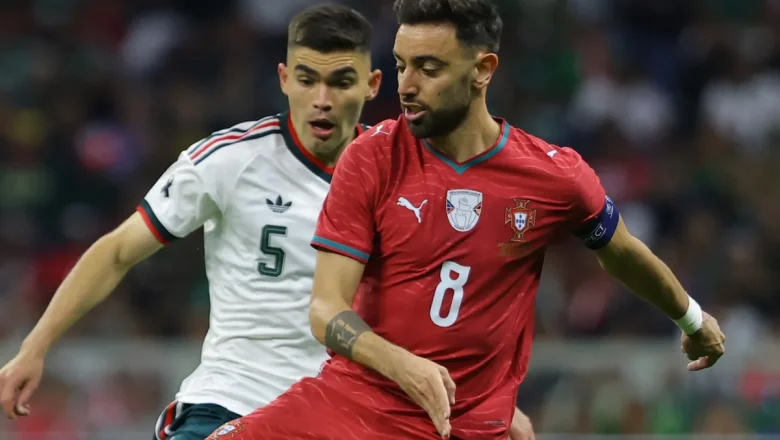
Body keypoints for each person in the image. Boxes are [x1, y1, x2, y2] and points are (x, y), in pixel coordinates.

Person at [213, 0, 726, 439]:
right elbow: (326, 310)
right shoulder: (371, 157)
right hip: (354, 407)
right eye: (400, 65)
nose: (407, 86)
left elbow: (622, 252)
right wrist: (405, 367)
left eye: (429, 69)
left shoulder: (553, 176)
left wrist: (692, 319)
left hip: (460, 428)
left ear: (482, 70)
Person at [0, 4, 383, 440]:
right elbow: (117, 251)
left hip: (339, 413)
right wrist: (34, 348)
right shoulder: (231, 159)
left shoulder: (395, 175)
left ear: (371, 85)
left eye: (340, 82)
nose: (322, 99)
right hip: (232, 400)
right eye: (307, 79)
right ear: (283, 79)